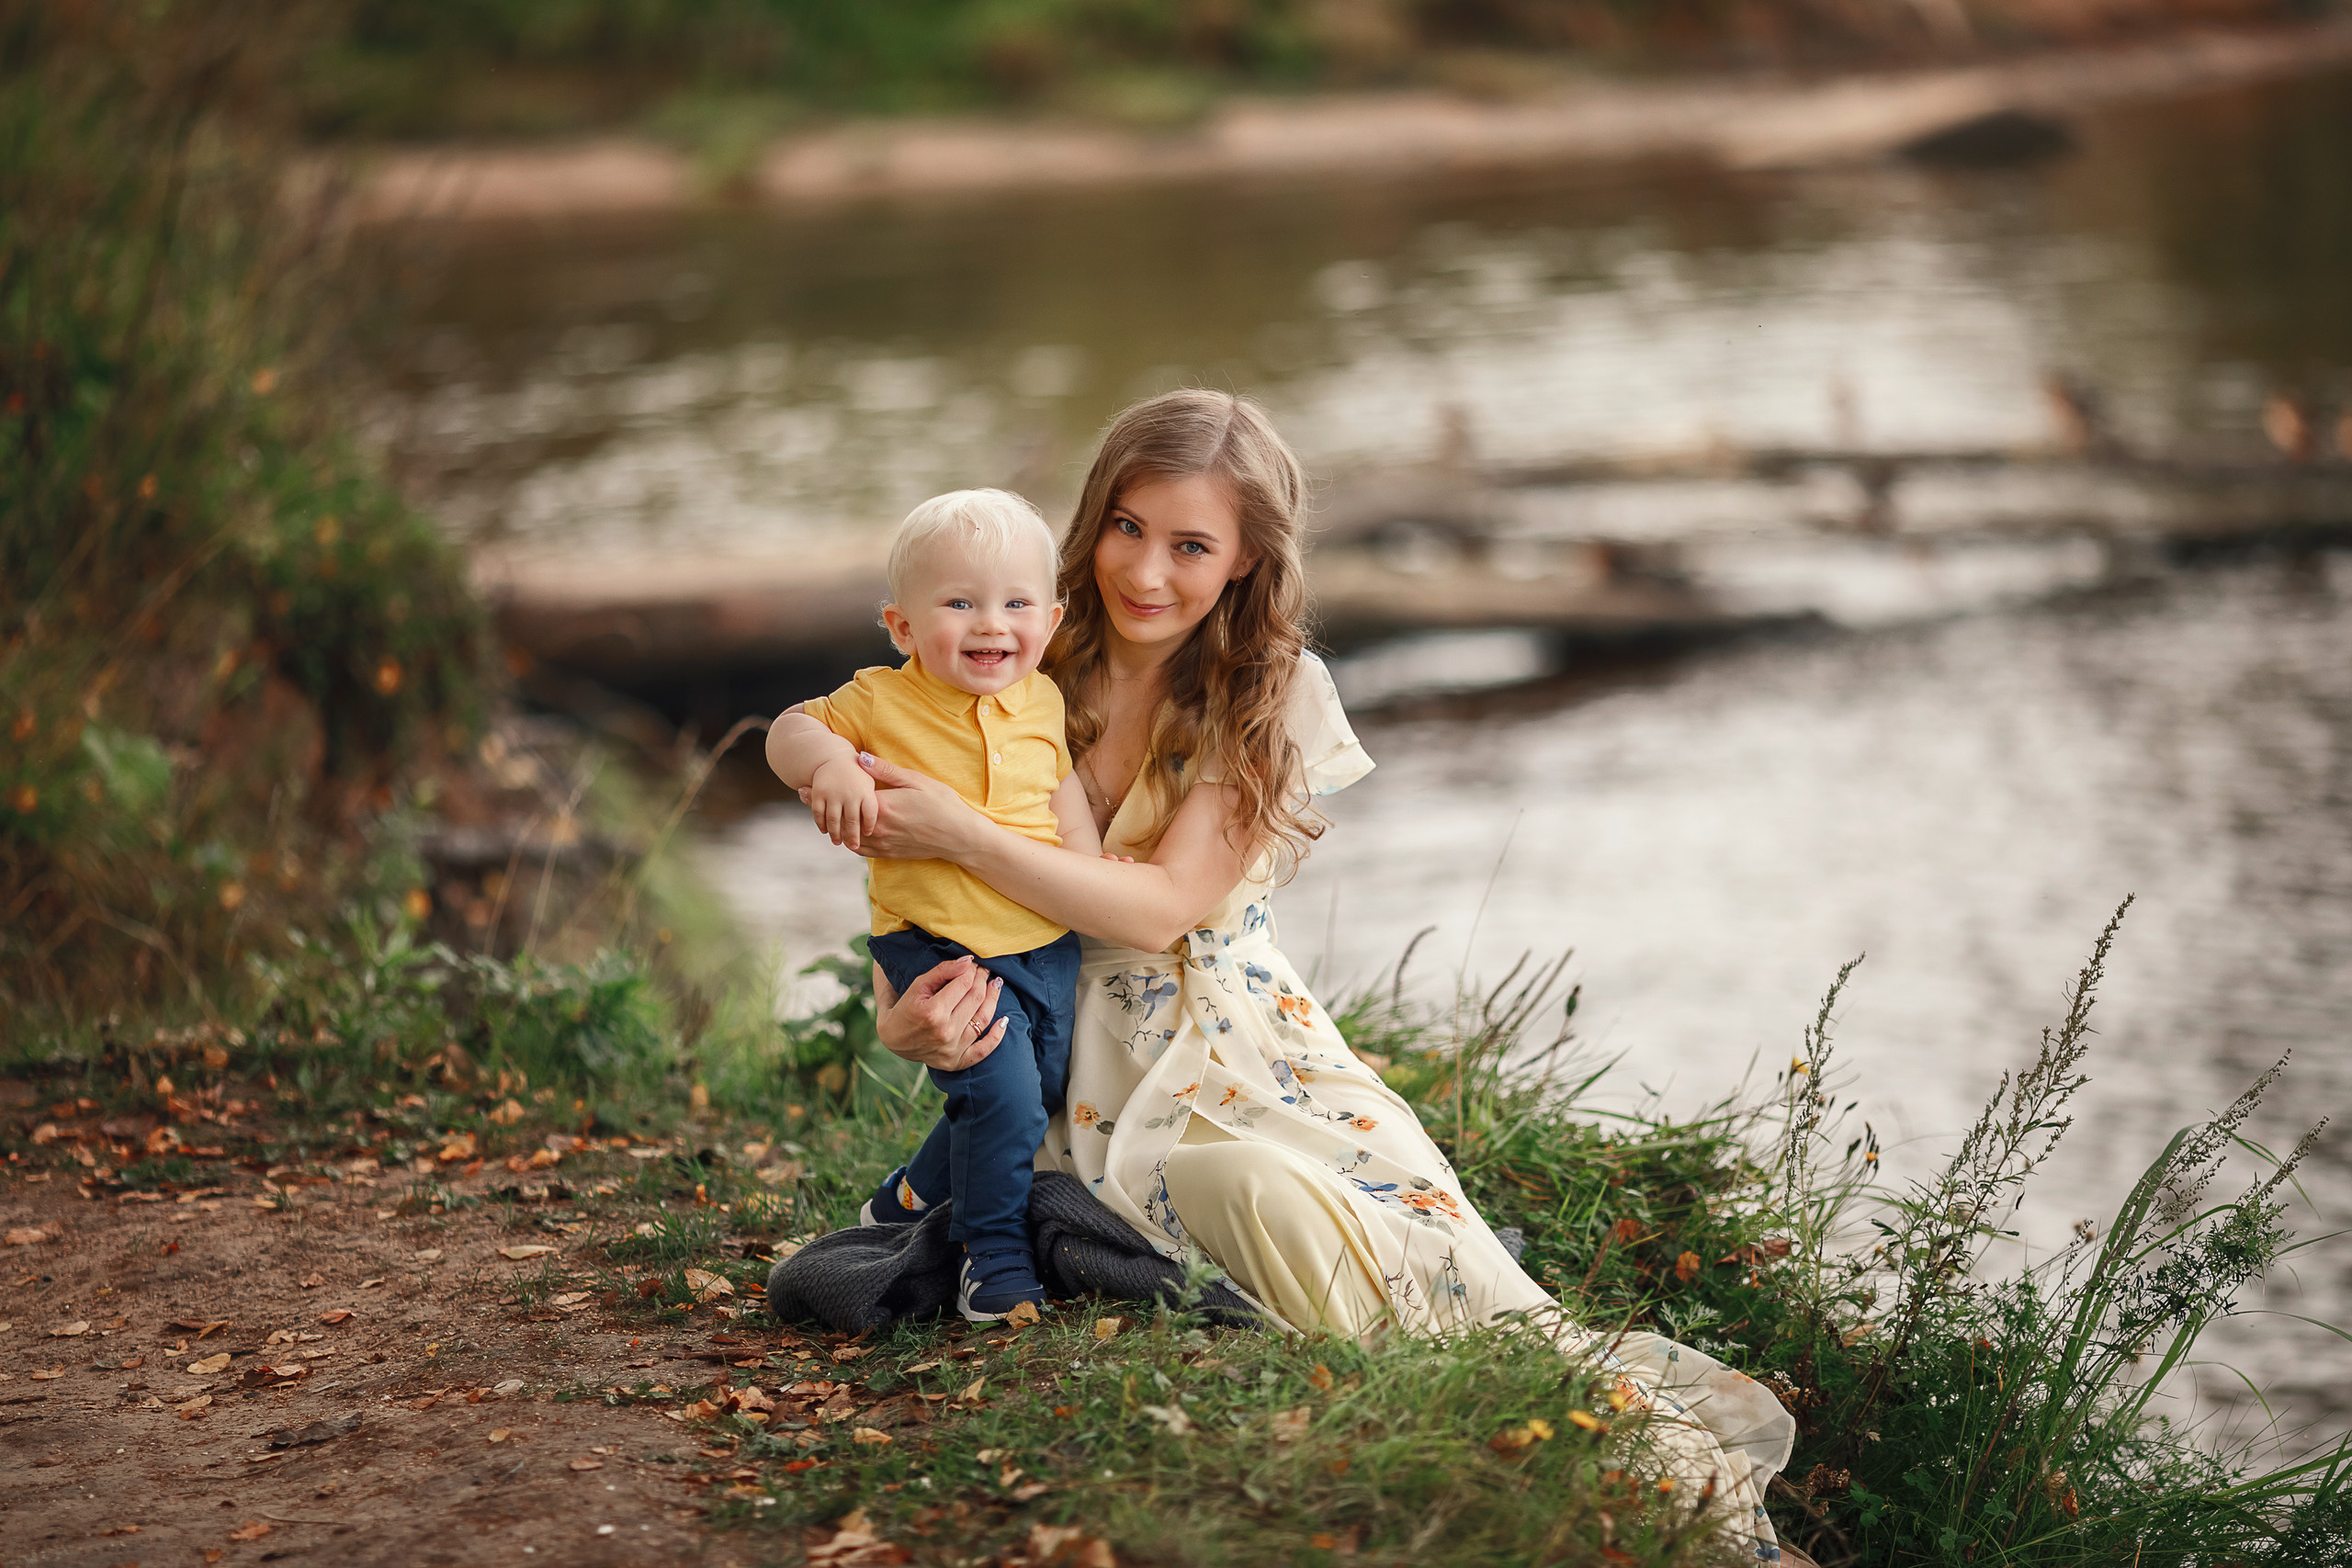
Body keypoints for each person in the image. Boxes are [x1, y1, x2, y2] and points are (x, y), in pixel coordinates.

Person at [809, 391, 1799, 1562]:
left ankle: (1519, 1415)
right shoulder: (1017, 639)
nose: (1147, 572)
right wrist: (904, 1025)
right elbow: (909, 890)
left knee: (1356, 1216)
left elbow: (1164, 905)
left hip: (1237, 1034)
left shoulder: (1267, 689)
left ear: (1244, 560)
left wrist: (967, 834)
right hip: (1061, 1030)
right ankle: (1414, 1393)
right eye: (1127, 527)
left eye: (1191, 546)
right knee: (1240, 1192)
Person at [765, 488, 1100, 1323]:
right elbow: (788, 730)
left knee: (1037, 1088)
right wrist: (830, 764)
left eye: (1016, 604)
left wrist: (1094, 872)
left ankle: (911, 1192)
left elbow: (1061, 800)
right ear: (903, 626)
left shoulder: (1043, 700)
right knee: (1005, 1095)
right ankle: (993, 1258)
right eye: (960, 604)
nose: (992, 624)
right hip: (941, 942)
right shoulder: (882, 700)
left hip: (1042, 940)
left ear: (1052, 620)